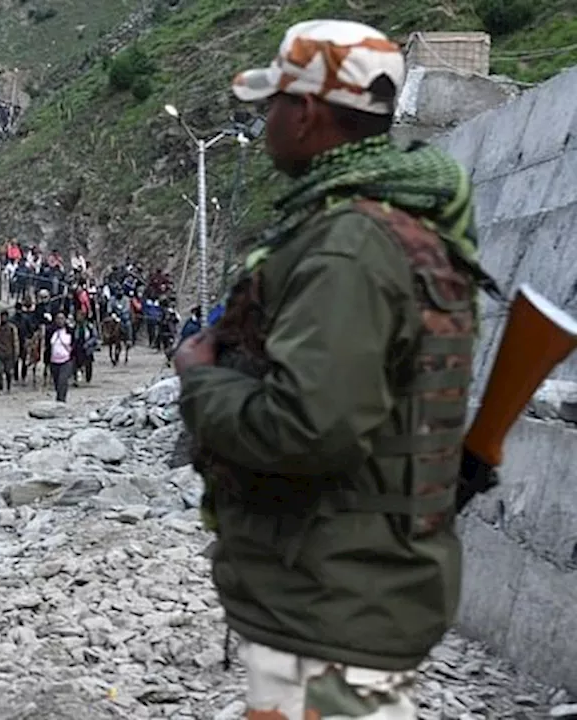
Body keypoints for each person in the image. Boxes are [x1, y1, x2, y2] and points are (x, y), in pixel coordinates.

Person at [175, 20, 491, 719]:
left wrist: (201, 379)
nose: (266, 123)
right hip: (343, 591)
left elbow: (311, 426)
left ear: (307, 112)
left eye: (274, 106)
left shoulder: (348, 246)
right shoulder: (395, 221)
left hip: (333, 602)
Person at [47, 312, 73, 402]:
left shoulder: (70, 331)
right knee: (56, 383)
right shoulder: (51, 332)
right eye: (58, 318)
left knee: (63, 381)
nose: (60, 321)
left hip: (66, 361)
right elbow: (47, 346)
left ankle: (61, 400)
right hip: (54, 361)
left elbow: (75, 345)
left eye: (62, 318)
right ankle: (59, 398)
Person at [0, 311, 18, 393]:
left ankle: (8, 387)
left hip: (9, 353)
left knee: (8, 371)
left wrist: (15, 353)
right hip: (0, 353)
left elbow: (15, 341)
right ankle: (1, 388)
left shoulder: (11, 328)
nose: (3, 318)